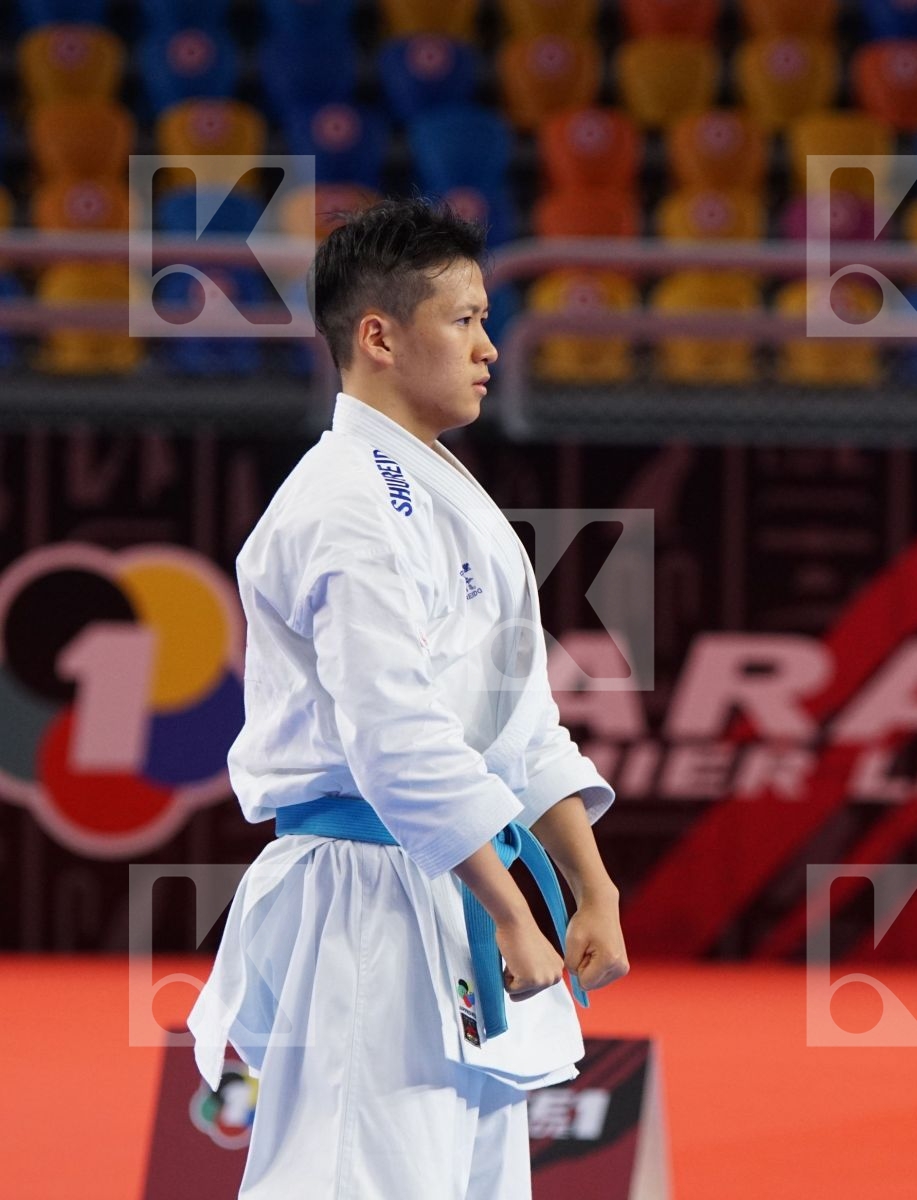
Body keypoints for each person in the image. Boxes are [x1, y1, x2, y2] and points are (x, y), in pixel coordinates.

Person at [188, 198, 629, 1198]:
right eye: (465, 320)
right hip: (364, 900)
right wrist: (511, 908)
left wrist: (589, 886)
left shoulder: (444, 494)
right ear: (379, 335)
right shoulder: (340, 502)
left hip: (448, 887)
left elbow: (518, 725)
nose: (490, 348)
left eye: (485, 320)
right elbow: (394, 740)